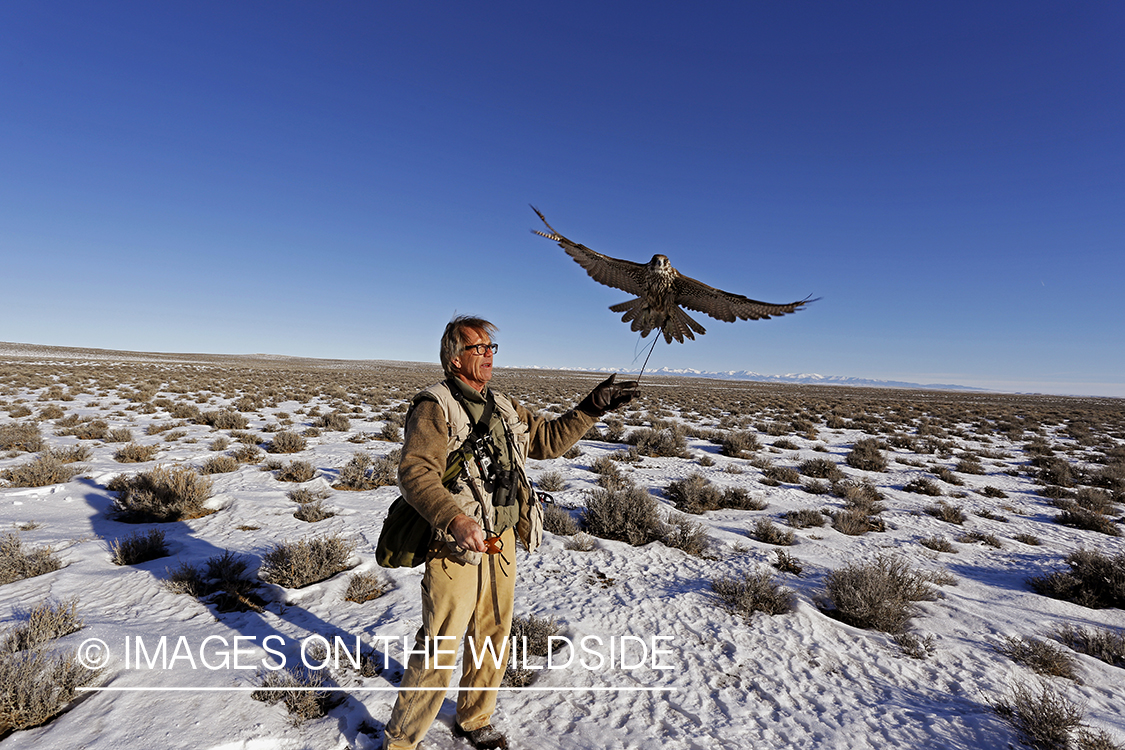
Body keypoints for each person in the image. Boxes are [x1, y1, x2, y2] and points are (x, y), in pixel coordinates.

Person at [383, 316, 638, 750]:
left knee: (493, 632)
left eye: (490, 347)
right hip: (454, 545)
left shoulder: (502, 405)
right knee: (441, 642)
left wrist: (593, 405)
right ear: (453, 357)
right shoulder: (434, 406)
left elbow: (548, 441)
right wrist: (454, 519)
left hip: (500, 542)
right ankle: (401, 741)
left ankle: (474, 718)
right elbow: (415, 473)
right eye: (477, 347)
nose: (487, 355)